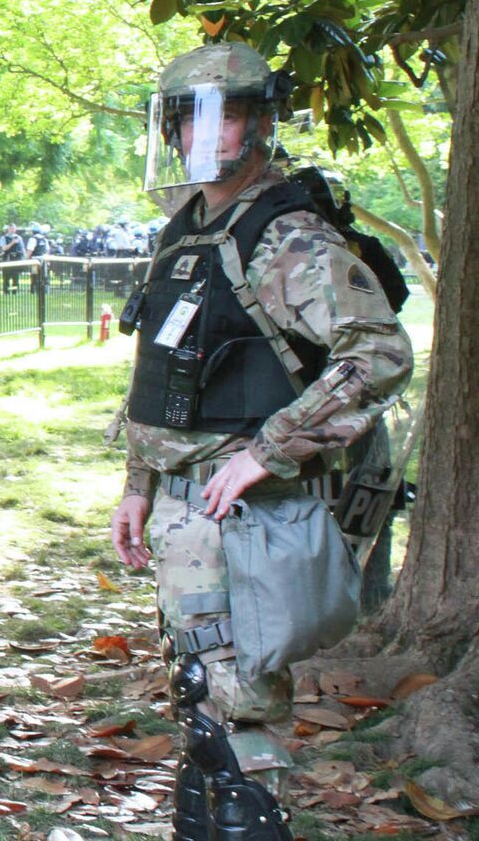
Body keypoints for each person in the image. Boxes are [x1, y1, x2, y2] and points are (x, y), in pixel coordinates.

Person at [106, 43, 412, 840]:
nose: (205, 136)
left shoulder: (287, 237)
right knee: (202, 712)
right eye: (189, 119)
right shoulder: (189, 229)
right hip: (186, 513)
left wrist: (268, 451)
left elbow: (377, 355)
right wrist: (139, 484)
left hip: (246, 520)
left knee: (237, 727)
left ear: (263, 124)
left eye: (228, 116)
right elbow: (167, 370)